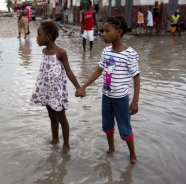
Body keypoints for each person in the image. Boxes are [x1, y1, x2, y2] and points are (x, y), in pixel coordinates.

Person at [76, 16, 140, 164]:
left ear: (119, 32)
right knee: (107, 125)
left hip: (121, 99)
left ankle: (133, 154)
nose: (103, 34)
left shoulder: (129, 54)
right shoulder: (106, 52)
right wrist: (84, 86)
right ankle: (111, 148)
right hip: (106, 96)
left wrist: (135, 101)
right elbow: (99, 71)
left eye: (106, 31)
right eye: (103, 30)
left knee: (125, 127)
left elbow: (136, 77)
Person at [30, 20, 81, 152]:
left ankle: (66, 144)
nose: (36, 37)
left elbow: (69, 71)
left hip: (57, 92)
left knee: (62, 118)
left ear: (48, 36)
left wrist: (78, 87)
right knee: (52, 116)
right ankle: (55, 139)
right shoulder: (44, 51)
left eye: (39, 34)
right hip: (47, 90)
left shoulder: (60, 52)